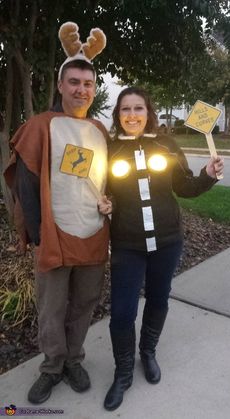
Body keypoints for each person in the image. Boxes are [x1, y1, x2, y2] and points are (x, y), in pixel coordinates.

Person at [98, 86, 224, 411]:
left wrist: (208, 175)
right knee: (122, 312)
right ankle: (123, 372)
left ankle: (147, 352)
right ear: (118, 115)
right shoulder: (109, 150)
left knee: (158, 299)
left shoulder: (167, 144)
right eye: (125, 109)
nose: (132, 115)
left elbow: (184, 187)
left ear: (148, 112)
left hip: (167, 241)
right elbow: (101, 191)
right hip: (127, 244)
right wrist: (104, 203)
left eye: (138, 108)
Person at [4, 22, 110, 404]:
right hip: (54, 234)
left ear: (93, 89)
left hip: (94, 232)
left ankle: (74, 359)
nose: (81, 90)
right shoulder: (41, 125)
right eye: (75, 82)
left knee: (83, 304)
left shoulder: (100, 130)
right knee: (51, 308)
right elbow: (25, 184)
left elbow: (106, 180)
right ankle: (52, 366)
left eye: (88, 84)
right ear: (61, 85)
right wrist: (35, 233)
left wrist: (109, 201)